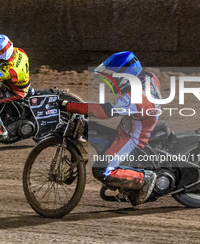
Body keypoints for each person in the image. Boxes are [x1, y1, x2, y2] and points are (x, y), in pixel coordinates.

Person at [60, 51, 162, 206]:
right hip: (134, 124)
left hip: (132, 138)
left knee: (102, 170)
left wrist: (70, 106)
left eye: (114, 79)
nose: (111, 85)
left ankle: (144, 178)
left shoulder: (135, 97)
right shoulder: (148, 77)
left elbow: (103, 112)